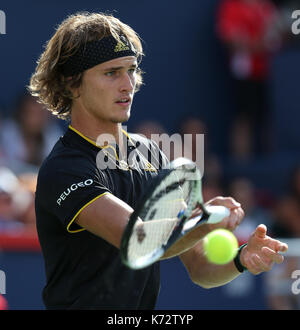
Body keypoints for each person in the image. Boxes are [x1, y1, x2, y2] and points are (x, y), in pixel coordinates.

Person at [29, 12, 288, 310]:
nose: (128, 84)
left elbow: (200, 266)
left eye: (131, 70)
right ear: (73, 84)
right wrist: (205, 219)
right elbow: (138, 240)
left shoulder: (152, 154)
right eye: (112, 73)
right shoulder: (64, 168)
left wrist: (240, 260)